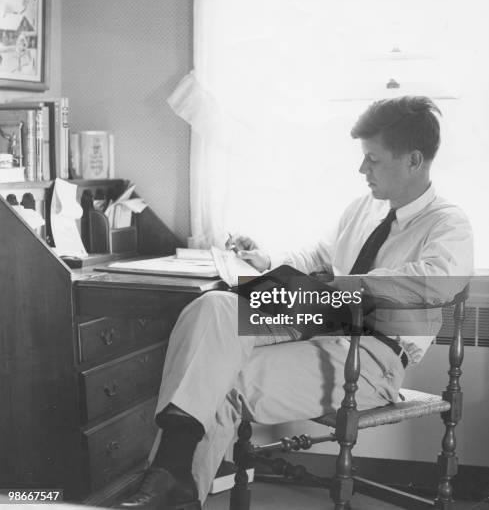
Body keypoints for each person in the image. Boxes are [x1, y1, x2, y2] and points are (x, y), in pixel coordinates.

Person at [119, 96, 473, 510]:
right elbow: (317, 256)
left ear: (414, 160)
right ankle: (172, 477)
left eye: (372, 160)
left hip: (373, 356)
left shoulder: (448, 223)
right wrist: (267, 263)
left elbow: (435, 285)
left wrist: (339, 290)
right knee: (213, 307)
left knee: (219, 378)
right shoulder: (363, 210)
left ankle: (169, 485)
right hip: (318, 320)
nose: (362, 171)